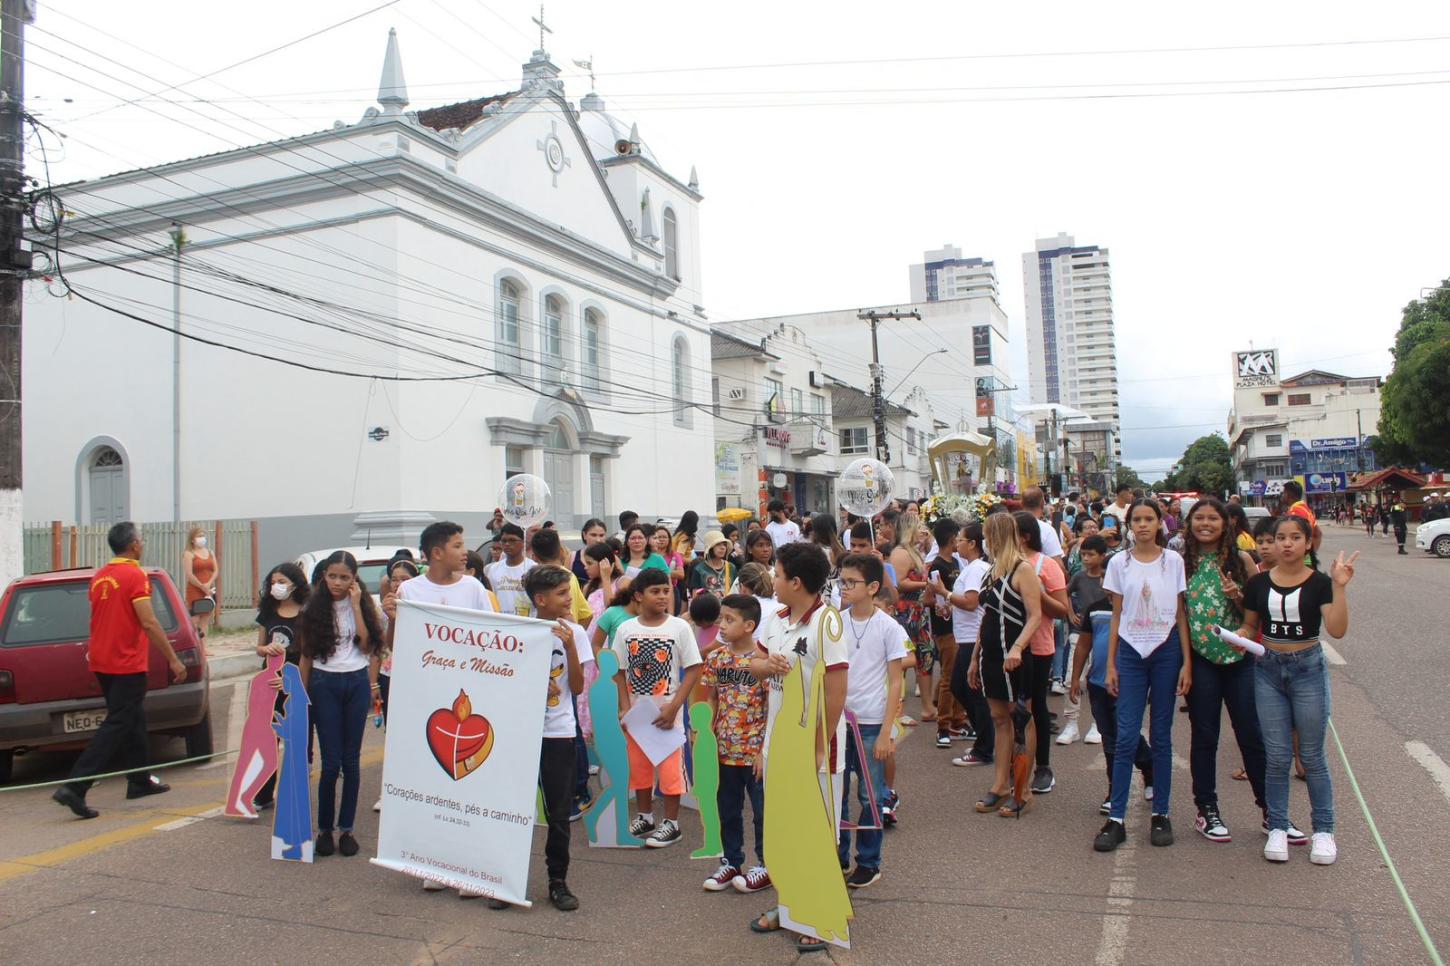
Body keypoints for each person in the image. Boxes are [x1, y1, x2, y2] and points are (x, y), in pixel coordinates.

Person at [1178, 498, 1306, 845]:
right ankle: (1207, 810)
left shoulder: (1242, 559)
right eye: (1199, 518)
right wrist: (1186, 663)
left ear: (1226, 523)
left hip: (1241, 661)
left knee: (1252, 735)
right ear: (1189, 524)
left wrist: (1237, 596)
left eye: (1213, 518)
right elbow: (1179, 617)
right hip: (1201, 660)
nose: (1206, 524)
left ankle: (1272, 813)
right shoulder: (1181, 563)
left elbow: (1257, 613)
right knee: (1205, 736)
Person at [1237, 518, 1358, 865]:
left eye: (1295, 538)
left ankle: (1323, 830)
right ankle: (1277, 826)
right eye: (1280, 538)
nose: (1286, 544)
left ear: (1308, 543)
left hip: (1307, 668)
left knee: (1312, 755)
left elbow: (1336, 630)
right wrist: (1241, 635)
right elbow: (1250, 623)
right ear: (1272, 543)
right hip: (1268, 669)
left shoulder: (1320, 583)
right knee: (1275, 756)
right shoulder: (1258, 583)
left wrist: (1340, 587)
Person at [747, 541, 849, 951]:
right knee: (784, 830)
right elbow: (753, 666)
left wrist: (819, 745)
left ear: (796, 581)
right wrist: (765, 666)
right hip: (778, 742)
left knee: (817, 832)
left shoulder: (827, 623)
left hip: (815, 748)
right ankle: (788, 905)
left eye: (777, 571)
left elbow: (837, 691)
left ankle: (820, 917)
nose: (771, 577)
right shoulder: (774, 621)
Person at [51, 523, 188, 819]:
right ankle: (76, 786)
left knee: (132, 717)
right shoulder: (134, 574)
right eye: (140, 539)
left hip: (102, 660)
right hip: (126, 662)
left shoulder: (100, 575)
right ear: (135, 544)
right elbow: (149, 621)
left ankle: (138, 780)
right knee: (118, 722)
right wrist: (173, 659)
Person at [1093, 499, 1191, 853]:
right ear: (1129, 524)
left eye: (1150, 518)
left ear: (1159, 523)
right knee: (1126, 736)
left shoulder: (1174, 561)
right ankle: (1116, 817)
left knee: (1162, 736)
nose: (1144, 524)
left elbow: (1180, 614)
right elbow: (1116, 614)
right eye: (1138, 519)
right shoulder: (1119, 562)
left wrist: (1186, 663)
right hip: (1132, 653)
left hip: (1165, 651)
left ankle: (1161, 813)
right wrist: (1111, 663)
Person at [509, 565, 591, 910]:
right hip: (522, 732)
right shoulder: (520, 631)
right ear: (540, 600)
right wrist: (533, 683)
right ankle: (506, 879)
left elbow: (577, 686)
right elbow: (506, 677)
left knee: (558, 812)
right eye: (560, 593)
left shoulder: (575, 632)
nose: (568, 597)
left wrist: (569, 646)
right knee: (512, 809)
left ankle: (558, 880)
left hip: (559, 733)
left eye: (568, 591)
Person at [300, 551, 384, 858]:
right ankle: (325, 829)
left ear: (354, 579)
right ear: (324, 576)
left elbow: (366, 645)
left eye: (344, 577)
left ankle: (346, 828)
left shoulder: (362, 604)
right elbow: (306, 655)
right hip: (325, 683)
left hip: (356, 682)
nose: (337, 582)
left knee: (351, 761)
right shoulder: (313, 607)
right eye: (332, 576)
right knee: (331, 762)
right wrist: (303, 693)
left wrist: (357, 605)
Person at [612, 567, 704, 847]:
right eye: (655, 591)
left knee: (670, 770)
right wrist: (625, 707)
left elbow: (693, 668)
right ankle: (645, 816)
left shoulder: (679, 627)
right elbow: (619, 670)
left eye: (666, 590)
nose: (663, 596)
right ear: (638, 596)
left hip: (668, 714)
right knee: (638, 767)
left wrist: (675, 706)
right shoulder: (626, 629)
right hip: (637, 715)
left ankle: (672, 823)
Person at [965, 513, 1043, 818]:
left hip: (1015, 654)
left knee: (1021, 717)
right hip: (992, 653)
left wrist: (1018, 647)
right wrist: (974, 657)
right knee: (998, 717)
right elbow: (987, 615)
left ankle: (1023, 789)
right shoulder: (991, 571)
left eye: (987, 535)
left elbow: (1034, 615)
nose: (985, 541)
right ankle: (1000, 785)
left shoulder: (1023, 570)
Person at [836, 553, 906, 887]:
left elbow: (895, 680)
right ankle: (838, 854)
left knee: (870, 795)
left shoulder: (888, 627)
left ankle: (869, 860)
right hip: (838, 721)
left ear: (873, 587)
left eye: (852, 582)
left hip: (871, 721)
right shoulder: (835, 622)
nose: (844, 588)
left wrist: (886, 732)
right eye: (842, 581)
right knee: (837, 791)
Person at [700, 594, 770, 894]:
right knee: (727, 810)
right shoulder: (716, 659)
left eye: (730, 620)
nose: (722, 625)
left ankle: (766, 865)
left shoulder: (765, 662)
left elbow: (774, 706)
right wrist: (705, 733)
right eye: (721, 619)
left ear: (749, 625)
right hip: (724, 751)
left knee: (762, 812)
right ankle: (731, 861)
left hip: (755, 753)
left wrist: (765, 750)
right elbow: (711, 697)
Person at [1070, 599, 1154, 817]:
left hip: (1128, 682)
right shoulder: (1095, 607)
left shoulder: (1137, 605)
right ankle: (1116, 787)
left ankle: (1147, 767)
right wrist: (1075, 678)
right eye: (1104, 577)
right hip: (1098, 682)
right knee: (1108, 738)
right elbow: (1083, 644)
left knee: (1125, 733)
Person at [1012, 511, 1069, 789]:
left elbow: (1062, 609)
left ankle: (1043, 767)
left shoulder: (1046, 565)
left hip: (1039, 646)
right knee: (1011, 708)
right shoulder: (1002, 564)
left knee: (1036, 706)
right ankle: (1016, 764)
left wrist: (1037, 593)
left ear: (1025, 536)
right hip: (1007, 647)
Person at [251, 562, 311, 811]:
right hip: (270, 684)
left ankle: (297, 788)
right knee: (269, 738)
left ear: (295, 585)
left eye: (282, 582)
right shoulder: (268, 611)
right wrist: (265, 649)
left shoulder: (306, 612)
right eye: (274, 582)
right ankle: (264, 792)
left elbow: (308, 652)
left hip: (295, 681)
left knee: (299, 736)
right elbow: (259, 647)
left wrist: (293, 683)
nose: (277, 586)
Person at [948, 523, 994, 767]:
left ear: (973, 544)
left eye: (961, 540)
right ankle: (986, 739)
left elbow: (970, 602)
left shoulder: (976, 569)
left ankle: (985, 747)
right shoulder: (971, 568)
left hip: (972, 638)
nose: (957, 544)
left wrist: (944, 594)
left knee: (969, 690)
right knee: (964, 688)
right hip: (967, 636)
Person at [1060, 534, 1109, 746]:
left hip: (1103, 635)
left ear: (1102, 556)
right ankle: (1071, 724)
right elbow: (1064, 592)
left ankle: (1097, 725)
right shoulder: (1079, 576)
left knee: (1098, 680)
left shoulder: (1109, 577)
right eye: (1083, 555)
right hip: (1079, 633)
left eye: (1091, 555)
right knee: (1073, 677)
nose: (1086, 559)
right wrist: (1070, 613)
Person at [922, 518, 965, 748]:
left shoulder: (955, 561)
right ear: (951, 539)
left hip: (956, 626)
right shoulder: (938, 565)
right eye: (957, 537)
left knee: (957, 673)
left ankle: (958, 720)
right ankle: (944, 726)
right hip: (944, 628)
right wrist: (943, 603)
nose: (959, 542)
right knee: (949, 676)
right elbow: (929, 598)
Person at [890, 514, 935, 721]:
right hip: (905, 613)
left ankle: (927, 707)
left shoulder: (914, 551)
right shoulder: (900, 553)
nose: (922, 530)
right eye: (919, 527)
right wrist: (925, 585)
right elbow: (898, 583)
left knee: (925, 658)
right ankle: (898, 710)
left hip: (918, 612)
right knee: (904, 659)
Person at [485, 523, 536, 617]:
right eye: (504, 541)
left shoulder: (533, 568)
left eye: (512, 540)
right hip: (501, 623)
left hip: (526, 623)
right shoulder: (494, 569)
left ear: (523, 542)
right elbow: (490, 598)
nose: (507, 544)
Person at [182, 524, 217, 638]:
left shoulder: (210, 552)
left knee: (205, 618)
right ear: (192, 539)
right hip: (195, 589)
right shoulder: (189, 553)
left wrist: (209, 583)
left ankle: (204, 647)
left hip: (208, 590)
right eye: (199, 535)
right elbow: (189, 574)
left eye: (203, 535)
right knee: (195, 618)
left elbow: (216, 570)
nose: (202, 538)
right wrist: (202, 586)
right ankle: (194, 643)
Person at [688, 530, 735, 600]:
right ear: (710, 547)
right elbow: (695, 597)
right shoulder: (699, 569)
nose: (723, 548)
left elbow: (736, 592)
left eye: (724, 544)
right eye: (718, 544)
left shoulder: (731, 567)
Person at [569, 518, 609, 583]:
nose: (598, 540)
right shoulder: (572, 557)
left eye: (601, 535)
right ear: (584, 535)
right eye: (593, 535)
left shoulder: (611, 558)